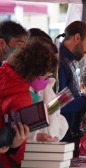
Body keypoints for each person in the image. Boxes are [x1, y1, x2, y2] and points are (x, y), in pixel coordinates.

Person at [0, 39, 58, 167]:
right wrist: (16, 147)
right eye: (46, 76)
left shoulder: (3, 73)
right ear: (38, 72)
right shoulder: (21, 96)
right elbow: (20, 150)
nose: (46, 80)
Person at [55, 21, 86, 157]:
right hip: (61, 136)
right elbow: (57, 104)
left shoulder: (66, 60)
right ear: (77, 37)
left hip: (68, 133)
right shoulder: (60, 61)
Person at [26, 28, 68, 143]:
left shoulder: (48, 85)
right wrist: (35, 137)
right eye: (48, 63)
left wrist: (57, 132)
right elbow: (16, 126)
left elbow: (56, 113)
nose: (51, 70)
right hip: (27, 152)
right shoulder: (20, 86)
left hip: (47, 149)